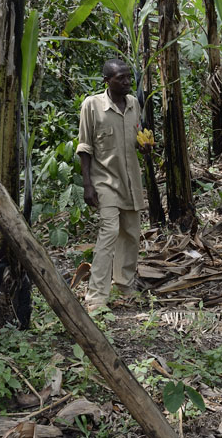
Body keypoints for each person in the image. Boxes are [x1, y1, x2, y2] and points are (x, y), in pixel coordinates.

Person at [77, 58, 145, 312]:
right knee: (109, 233)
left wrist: (144, 146)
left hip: (131, 181)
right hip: (104, 181)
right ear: (107, 81)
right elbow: (85, 147)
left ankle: (124, 285)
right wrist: (87, 184)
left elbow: (134, 137)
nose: (127, 82)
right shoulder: (92, 105)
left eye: (129, 77)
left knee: (130, 233)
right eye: (121, 78)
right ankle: (96, 297)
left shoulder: (134, 104)